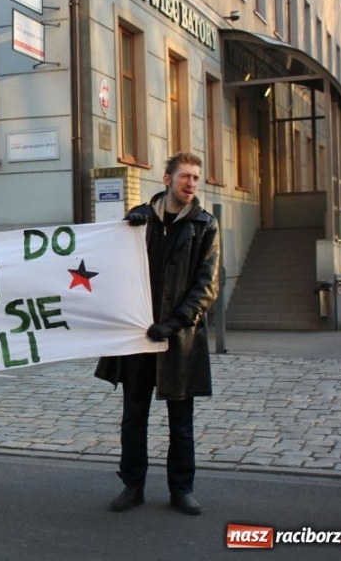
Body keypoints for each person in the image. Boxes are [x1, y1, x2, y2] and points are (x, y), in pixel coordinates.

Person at [95, 152, 220, 516]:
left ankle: (182, 489)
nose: (191, 183)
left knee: (181, 422)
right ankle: (132, 486)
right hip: (137, 337)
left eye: (196, 177)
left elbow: (207, 285)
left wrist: (177, 321)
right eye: (185, 176)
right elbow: (112, 267)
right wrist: (125, 228)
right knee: (134, 418)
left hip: (178, 340)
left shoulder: (204, 225)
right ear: (167, 179)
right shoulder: (140, 219)